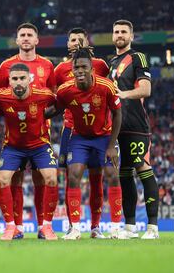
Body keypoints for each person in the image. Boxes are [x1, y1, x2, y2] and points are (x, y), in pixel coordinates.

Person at [45, 47, 124, 240]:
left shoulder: (106, 86)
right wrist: (37, 114)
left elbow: (118, 113)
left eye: (83, 67)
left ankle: (115, 228)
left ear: (92, 69)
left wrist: (112, 145)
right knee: (74, 175)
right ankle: (76, 229)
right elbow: (56, 109)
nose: (79, 71)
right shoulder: (65, 90)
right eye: (76, 67)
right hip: (79, 138)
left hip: (104, 137)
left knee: (112, 175)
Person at [0, 22, 56, 238]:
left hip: (40, 135)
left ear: (37, 40)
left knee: (42, 179)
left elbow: (56, 98)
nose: (27, 38)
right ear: (17, 40)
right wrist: (11, 112)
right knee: (14, 180)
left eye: (30, 34)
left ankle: (43, 226)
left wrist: (40, 115)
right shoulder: (6, 66)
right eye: (23, 35)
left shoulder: (47, 65)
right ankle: (16, 226)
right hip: (14, 138)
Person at [54, 27, 111, 239]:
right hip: (71, 129)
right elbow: (55, 99)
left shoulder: (101, 66)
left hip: (98, 131)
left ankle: (96, 226)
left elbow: (108, 93)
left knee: (97, 177)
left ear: (87, 43)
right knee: (72, 177)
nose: (76, 42)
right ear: (67, 44)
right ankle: (73, 225)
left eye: (80, 39)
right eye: (72, 39)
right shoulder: (59, 69)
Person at [109, 19, 159, 239]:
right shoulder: (112, 62)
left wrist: (123, 94)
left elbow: (146, 89)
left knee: (143, 170)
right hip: (118, 128)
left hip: (136, 125)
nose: (120, 35)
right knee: (124, 176)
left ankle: (153, 228)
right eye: (116, 31)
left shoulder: (137, 57)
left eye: (124, 32)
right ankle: (129, 227)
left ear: (131, 35)